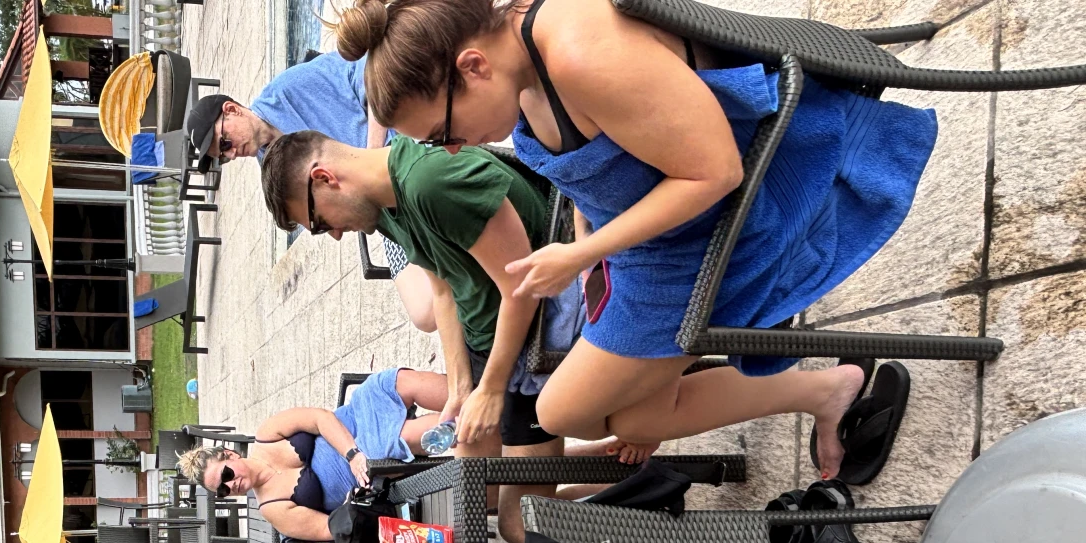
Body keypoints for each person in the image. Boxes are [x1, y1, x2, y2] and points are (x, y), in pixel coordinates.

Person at [336, 0, 933, 480]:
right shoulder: (525, 55)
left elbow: (717, 174)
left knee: (562, 411)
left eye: (443, 132)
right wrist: (586, 243)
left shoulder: (577, 53)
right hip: (655, 246)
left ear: (472, 67)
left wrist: (583, 255)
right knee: (631, 415)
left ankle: (800, 371)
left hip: (729, 228)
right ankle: (827, 391)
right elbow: (596, 172)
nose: (454, 149)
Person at [261, 131, 644, 543]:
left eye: (316, 223)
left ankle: (650, 520)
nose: (333, 234)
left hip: (529, 345)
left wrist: (492, 389)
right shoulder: (387, 205)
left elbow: (522, 291)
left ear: (324, 178)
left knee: (518, 528)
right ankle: (609, 472)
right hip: (490, 349)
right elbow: (442, 290)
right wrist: (461, 389)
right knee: (478, 499)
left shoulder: (430, 184)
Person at [176, 368, 627, 543]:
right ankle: (586, 450)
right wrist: (362, 485)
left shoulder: (266, 435)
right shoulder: (274, 509)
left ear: (226, 453)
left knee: (458, 398)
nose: (232, 485)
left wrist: (349, 451)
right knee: (454, 430)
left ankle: (551, 405)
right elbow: (333, 529)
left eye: (226, 474)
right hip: (378, 461)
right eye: (225, 491)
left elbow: (317, 418)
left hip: (358, 422)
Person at [184, 55, 439, 332]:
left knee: (443, 256)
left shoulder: (289, 88)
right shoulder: (269, 165)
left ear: (232, 110)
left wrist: (371, 156)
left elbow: (375, 70)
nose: (232, 152)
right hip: (383, 212)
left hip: (398, 152)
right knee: (424, 314)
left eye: (225, 141)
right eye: (224, 154)